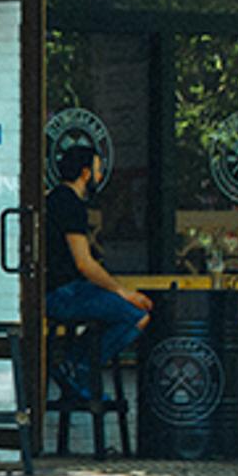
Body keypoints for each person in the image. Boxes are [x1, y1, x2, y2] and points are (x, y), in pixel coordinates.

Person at [45, 144, 152, 400]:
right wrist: (123, 293)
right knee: (138, 315)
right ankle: (78, 365)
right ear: (84, 173)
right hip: (65, 293)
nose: (100, 176)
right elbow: (85, 263)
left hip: (55, 291)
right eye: (97, 170)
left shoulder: (52, 199)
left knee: (119, 312)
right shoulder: (70, 204)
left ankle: (74, 366)